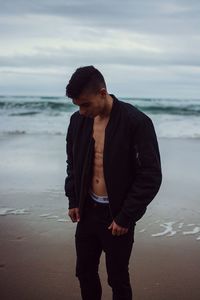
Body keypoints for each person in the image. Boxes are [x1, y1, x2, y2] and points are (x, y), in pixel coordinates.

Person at [64, 65, 162, 300]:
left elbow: (150, 175)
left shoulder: (136, 122)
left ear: (102, 93)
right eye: (77, 106)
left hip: (117, 215)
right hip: (87, 210)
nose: (81, 111)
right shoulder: (78, 121)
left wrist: (125, 216)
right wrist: (74, 199)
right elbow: (73, 164)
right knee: (84, 272)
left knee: (117, 278)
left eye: (85, 104)